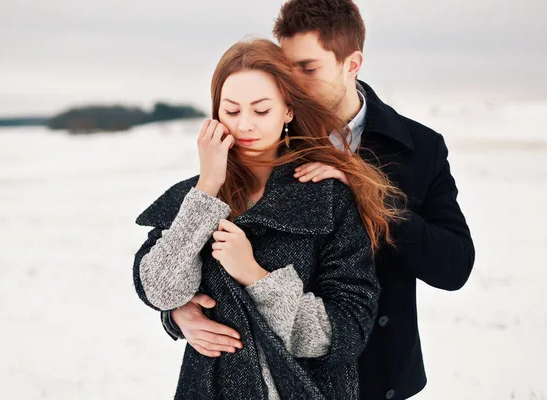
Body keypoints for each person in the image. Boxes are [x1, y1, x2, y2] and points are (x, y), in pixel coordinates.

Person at [160, 1, 476, 399]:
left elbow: (454, 267)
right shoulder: (262, 138)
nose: (291, 83)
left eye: (307, 69)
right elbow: (194, 250)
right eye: (284, 69)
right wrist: (177, 311)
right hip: (274, 372)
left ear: (352, 63)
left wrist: (366, 195)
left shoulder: (418, 148)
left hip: (378, 373)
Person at [133, 39, 404, 399]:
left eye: (261, 111)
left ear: (287, 111)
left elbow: (347, 331)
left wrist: (256, 276)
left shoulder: (327, 196)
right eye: (231, 111)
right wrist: (208, 187)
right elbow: (161, 289)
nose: (245, 125)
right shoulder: (194, 196)